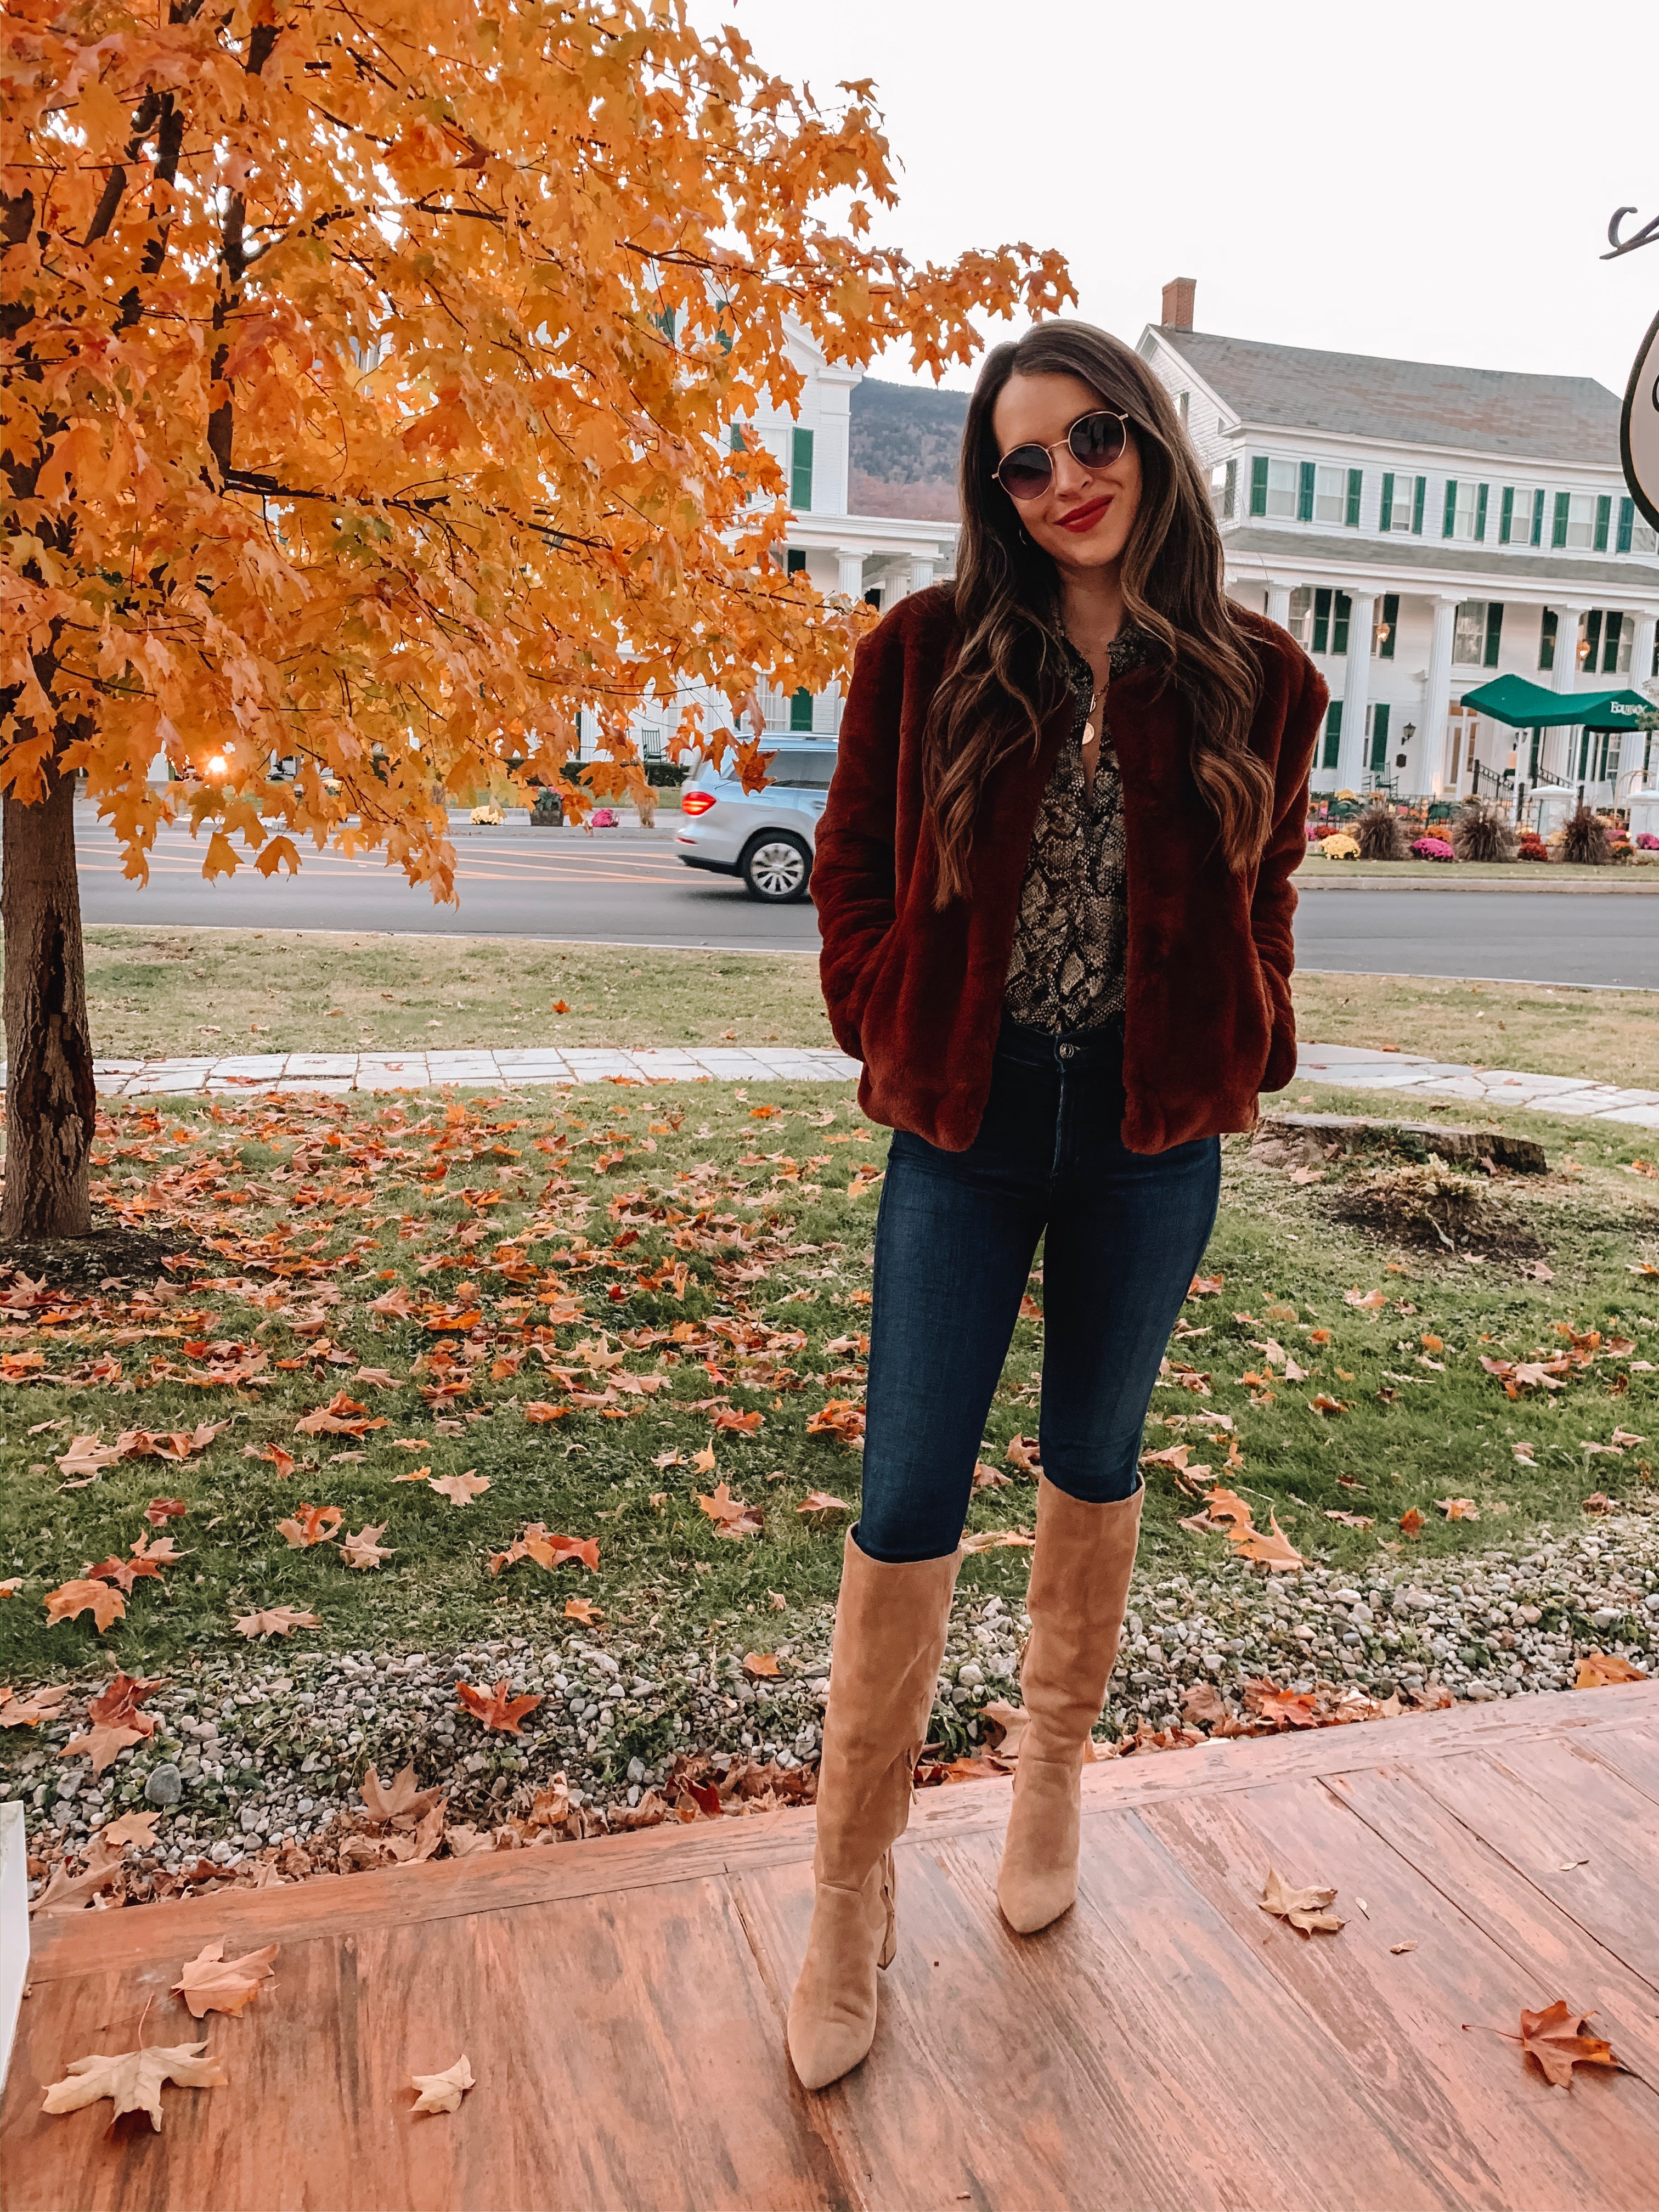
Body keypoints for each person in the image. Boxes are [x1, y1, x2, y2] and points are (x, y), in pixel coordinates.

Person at [791, 320, 1327, 2090]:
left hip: (1150, 1136)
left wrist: (1252, 1033)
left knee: (1095, 1463)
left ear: (1149, 441)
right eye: (1023, 461)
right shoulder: (929, 653)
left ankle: (1048, 1787)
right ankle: (850, 1896)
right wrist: (887, 1013)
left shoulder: (1259, 674)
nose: (1064, 479)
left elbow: (1269, 900)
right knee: (908, 1492)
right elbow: (852, 877)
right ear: (993, 494)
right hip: (969, 1117)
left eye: (1091, 437)